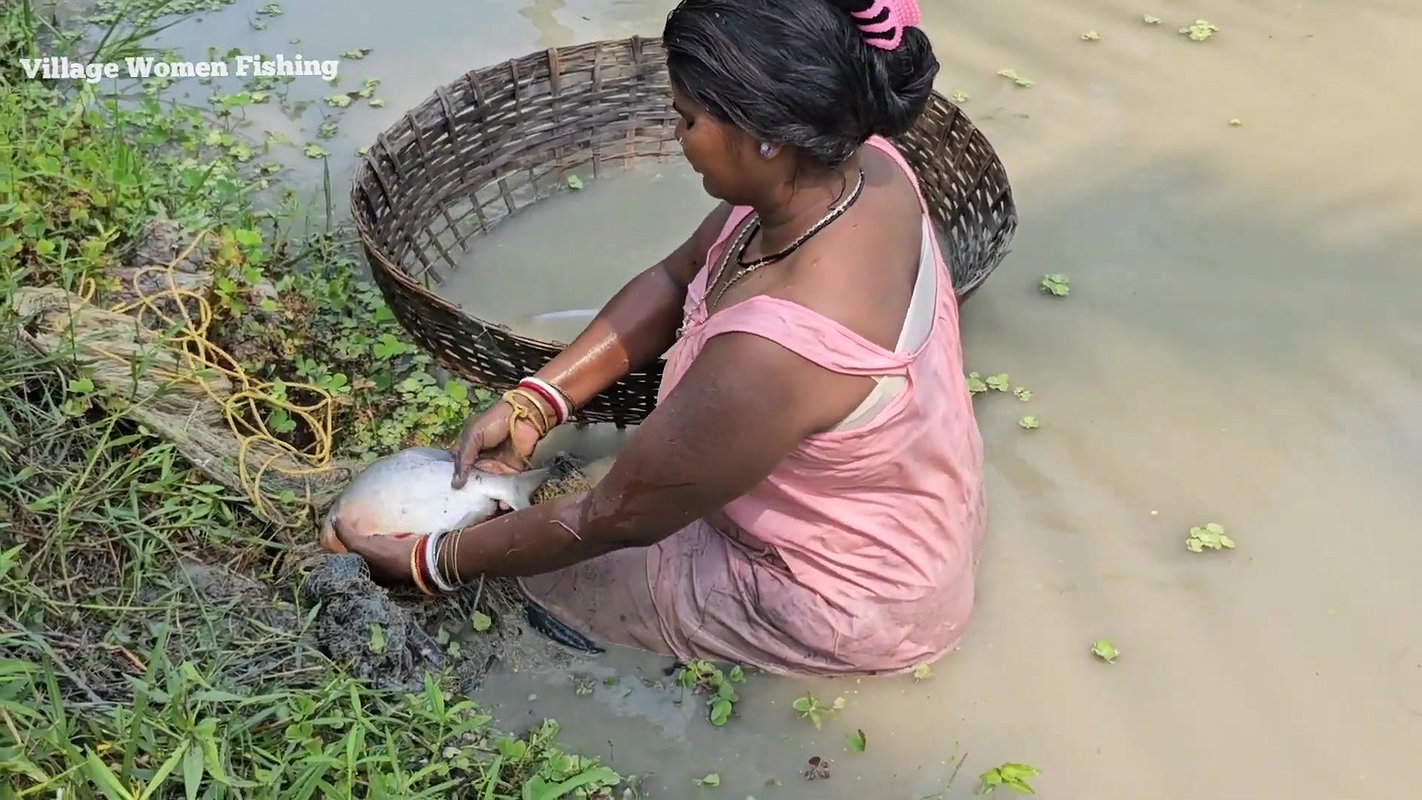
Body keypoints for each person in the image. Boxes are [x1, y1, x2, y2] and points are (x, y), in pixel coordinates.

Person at [330, 0, 987, 678]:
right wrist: (538, 401)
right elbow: (680, 274)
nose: (678, 135)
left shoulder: (775, 351)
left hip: (843, 600)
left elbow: (611, 519)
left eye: (689, 119)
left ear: (768, 136)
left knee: (536, 580)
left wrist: (431, 560)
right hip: (913, 519)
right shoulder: (855, 167)